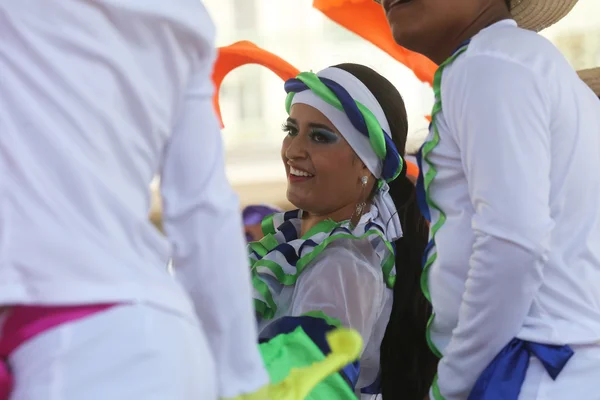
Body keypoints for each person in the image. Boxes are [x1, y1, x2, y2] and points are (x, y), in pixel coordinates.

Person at [0, 1, 269, 399]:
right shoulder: (184, 18)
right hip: (172, 344)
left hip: (72, 346)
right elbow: (204, 212)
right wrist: (241, 379)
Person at [380, 0, 600, 398]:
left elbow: (513, 244)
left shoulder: (490, 63)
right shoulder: (519, 59)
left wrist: (453, 383)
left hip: (528, 374)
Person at [249, 63, 437, 399]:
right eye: (291, 129)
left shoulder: (343, 264)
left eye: (320, 137)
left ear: (366, 164)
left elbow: (310, 387)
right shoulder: (300, 241)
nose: (293, 150)